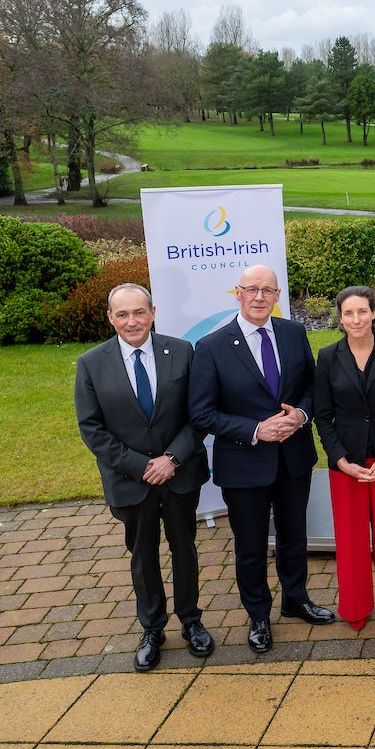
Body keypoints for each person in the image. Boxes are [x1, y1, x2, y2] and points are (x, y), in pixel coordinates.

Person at [190, 265, 334, 655]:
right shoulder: (212, 347)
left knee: (294, 536)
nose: (259, 297)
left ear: (277, 295)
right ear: (237, 293)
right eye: (251, 289)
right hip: (244, 464)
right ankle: (258, 615)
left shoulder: (293, 333)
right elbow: (202, 413)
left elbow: (310, 386)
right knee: (251, 546)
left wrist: (300, 416)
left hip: (293, 458)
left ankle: (296, 599)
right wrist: (256, 430)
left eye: (267, 290)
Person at [74, 283, 213, 671]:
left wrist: (171, 458)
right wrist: (141, 466)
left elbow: (198, 414)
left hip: (179, 473)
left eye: (139, 312)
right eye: (122, 314)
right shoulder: (91, 363)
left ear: (153, 312)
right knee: (143, 554)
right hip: (130, 481)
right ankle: (153, 627)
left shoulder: (182, 351)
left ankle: (191, 620)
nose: (131, 321)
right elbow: (92, 429)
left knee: (184, 548)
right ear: (110, 318)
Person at [313, 286, 375, 630]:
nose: (356, 319)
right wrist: (339, 459)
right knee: (351, 539)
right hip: (346, 464)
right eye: (348, 313)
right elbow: (322, 416)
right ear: (340, 319)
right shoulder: (327, 357)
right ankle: (355, 606)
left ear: (374, 314)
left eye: (362, 312)